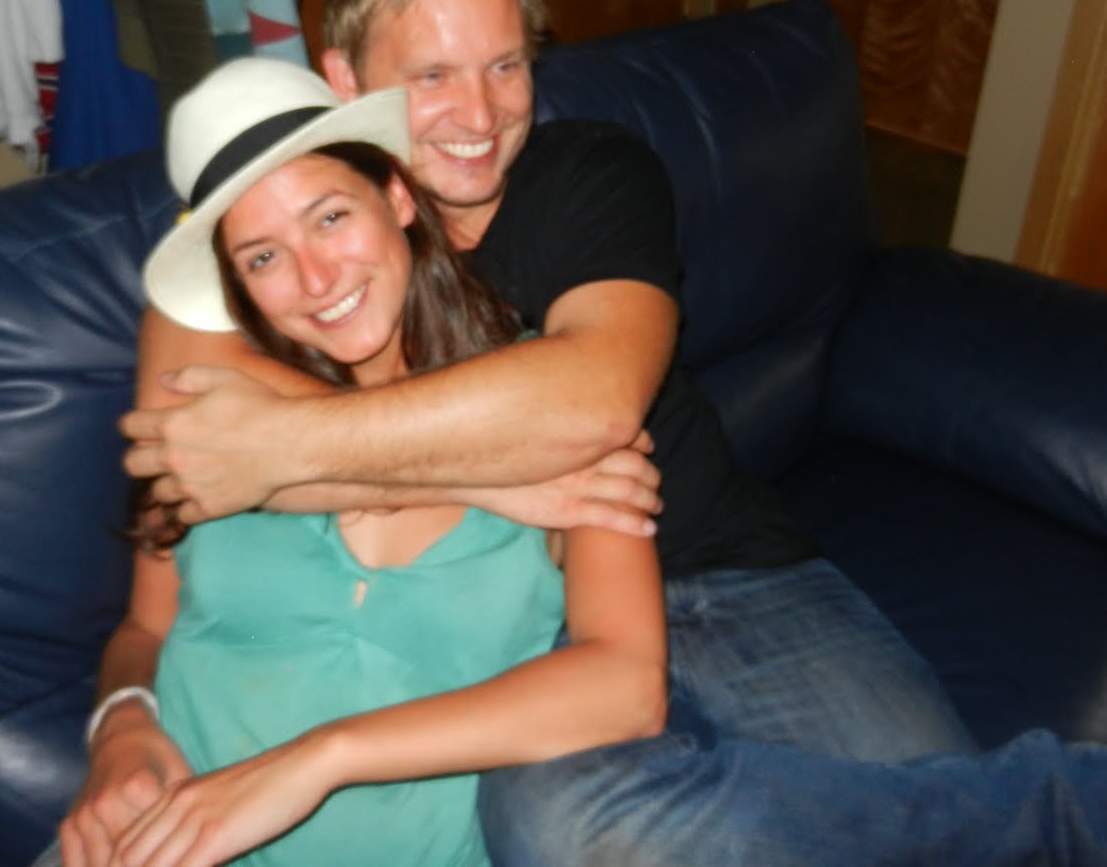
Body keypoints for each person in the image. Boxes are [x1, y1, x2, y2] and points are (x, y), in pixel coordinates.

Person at [100, 0, 1107, 867]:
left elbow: (590, 405)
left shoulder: (589, 175)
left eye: (508, 63)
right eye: (430, 75)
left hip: (723, 572)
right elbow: (190, 435)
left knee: (940, 832)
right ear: (346, 87)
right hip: (538, 626)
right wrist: (491, 479)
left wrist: (290, 452)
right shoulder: (312, 227)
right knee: (556, 821)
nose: (480, 115)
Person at [53, 59, 665, 866]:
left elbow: (628, 686)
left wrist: (320, 760)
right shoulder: (213, 423)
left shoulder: (548, 408)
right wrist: (121, 724)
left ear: (399, 197)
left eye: (331, 217)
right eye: (263, 257)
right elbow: (144, 628)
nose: (315, 278)